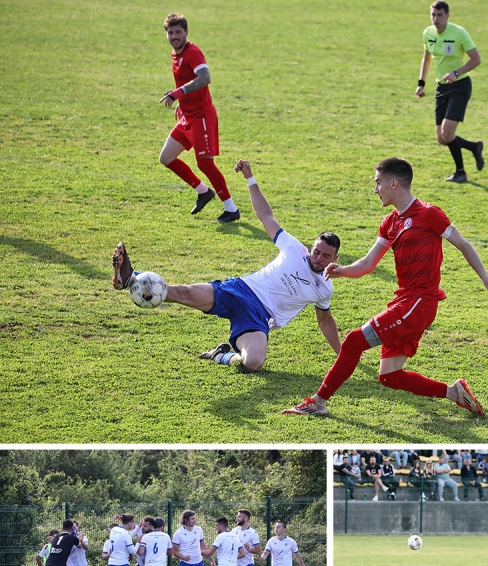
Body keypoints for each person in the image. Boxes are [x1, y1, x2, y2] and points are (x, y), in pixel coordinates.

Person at [282, 158, 488, 417]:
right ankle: (454, 393)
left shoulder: (429, 214)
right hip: (405, 302)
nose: (375, 189)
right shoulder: (390, 223)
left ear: (394, 183)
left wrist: (486, 280)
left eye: (378, 183)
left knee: (353, 341)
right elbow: (368, 263)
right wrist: (342, 271)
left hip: (419, 302)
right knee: (389, 376)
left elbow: (464, 245)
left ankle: (317, 402)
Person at [112, 160, 341, 371]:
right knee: (183, 292)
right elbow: (265, 215)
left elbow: (325, 322)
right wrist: (250, 178)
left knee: (253, 362)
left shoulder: (324, 288)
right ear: (311, 247)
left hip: (258, 316)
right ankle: (130, 278)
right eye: (316, 251)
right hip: (240, 289)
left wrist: (342, 355)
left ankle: (220, 355)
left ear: (334, 259)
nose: (318, 258)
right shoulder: (294, 249)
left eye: (325, 256)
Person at [158, 14, 239, 223]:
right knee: (166, 157)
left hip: (202, 117)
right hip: (187, 116)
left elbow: (205, 78)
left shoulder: (192, 52)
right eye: (170, 33)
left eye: (178, 32)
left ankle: (231, 209)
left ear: (186, 32)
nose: (174, 36)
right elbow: (187, 81)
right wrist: (181, 102)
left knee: (205, 164)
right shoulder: (175, 54)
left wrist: (178, 93)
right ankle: (203, 191)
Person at [416, 2, 484, 183]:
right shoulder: (428, 33)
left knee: (447, 133)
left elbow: (476, 59)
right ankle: (474, 147)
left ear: (447, 15)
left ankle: (460, 172)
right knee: (441, 138)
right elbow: (426, 59)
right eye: (433, 15)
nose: (435, 19)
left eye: (439, 15)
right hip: (441, 87)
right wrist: (421, 83)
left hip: (460, 86)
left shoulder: (459, 33)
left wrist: (456, 73)